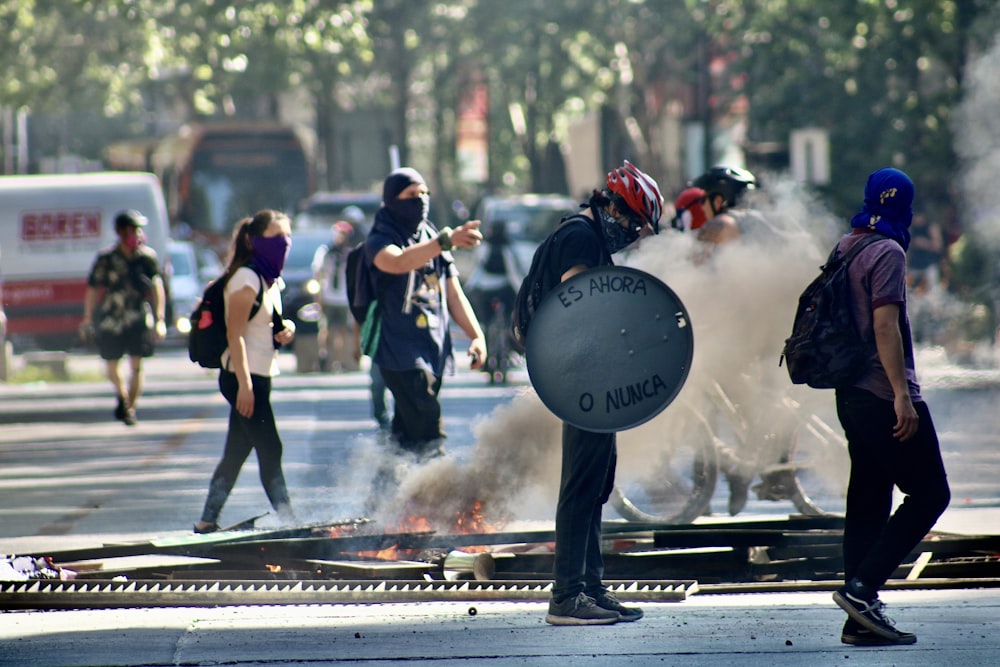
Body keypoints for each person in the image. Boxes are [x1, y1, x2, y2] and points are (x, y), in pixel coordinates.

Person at [524, 160, 663, 626]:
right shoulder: (581, 237)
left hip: (589, 376)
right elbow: (576, 309)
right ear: (615, 208)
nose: (638, 233)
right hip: (581, 377)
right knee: (581, 485)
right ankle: (566, 596)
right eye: (637, 222)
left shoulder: (588, 235)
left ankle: (591, 589)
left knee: (596, 483)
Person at [830, 167, 950, 646]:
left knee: (868, 497)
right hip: (883, 393)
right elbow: (885, 326)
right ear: (907, 208)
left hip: (850, 393)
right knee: (931, 493)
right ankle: (862, 591)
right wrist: (903, 394)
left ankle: (859, 621)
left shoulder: (847, 245)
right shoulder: (889, 252)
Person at [363, 167, 487, 460]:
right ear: (393, 200)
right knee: (430, 430)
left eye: (424, 194)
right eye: (411, 195)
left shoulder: (431, 235)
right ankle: (444, 496)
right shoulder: (379, 239)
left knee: (405, 437)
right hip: (398, 352)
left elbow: (453, 294)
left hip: (433, 348)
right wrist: (445, 241)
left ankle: (380, 501)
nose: (420, 200)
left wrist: (477, 336)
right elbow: (399, 262)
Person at [194, 210, 298, 534]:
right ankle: (290, 520)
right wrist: (244, 385)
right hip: (242, 377)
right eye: (277, 236)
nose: (284, 243)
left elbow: (266, 324)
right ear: (255, 241)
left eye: (287, 236)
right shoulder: (246, 279)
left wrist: (287, 329)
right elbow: (234, 334)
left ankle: (207, 520)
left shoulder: (269, 279)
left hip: (257, 375)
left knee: (236, 452)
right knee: (271, 447)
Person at [80, 210, 167, 426]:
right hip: (112, 317)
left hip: (137, 317)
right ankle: (122, 395)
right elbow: (93, 289)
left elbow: (157, 288)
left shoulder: (147, 258)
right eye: (132, 229)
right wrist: (88, 318)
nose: (137, 234)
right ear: (120, 232)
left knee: (137, 365)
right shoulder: (106, 259)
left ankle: (130, 408)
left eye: (138, 229)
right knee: (112, 364)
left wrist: (159, 319)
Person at [313, 219, 357, 372]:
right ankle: (324, 356)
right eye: (339, 234)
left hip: (343, 297)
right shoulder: (325, 251)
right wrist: (318, 294)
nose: (341, 237)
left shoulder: (350, 253)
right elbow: (318, 273)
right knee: (326, 329)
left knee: (343, 331)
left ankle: (339, 361)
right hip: (328, 295)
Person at [690, 165, 758, 246]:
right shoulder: (758, 221)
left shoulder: (721, 224)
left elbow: (723, 223)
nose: (702, 207)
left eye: (703, 200)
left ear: (717, 201)